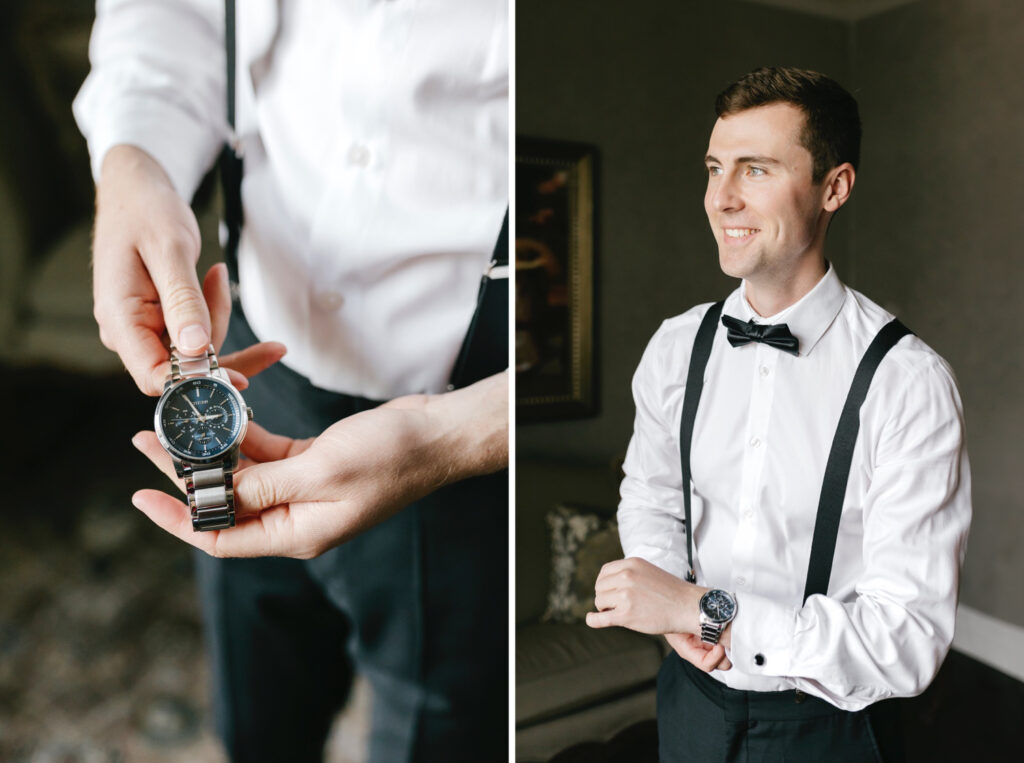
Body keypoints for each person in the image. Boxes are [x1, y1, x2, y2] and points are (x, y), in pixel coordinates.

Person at [73, 1, 508, 761]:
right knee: (255, 707)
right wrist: (133, 156)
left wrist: (464, 433)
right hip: (247, 366)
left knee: (436, 729)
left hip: (463, 433)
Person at [585, 66, 971, 761]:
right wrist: (672, 604)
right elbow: (652, 495)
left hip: (831, 722)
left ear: (834, 187)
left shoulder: (908, 383)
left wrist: (704, 611)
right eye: (714, 168)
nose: (721, 198)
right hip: (689, 702)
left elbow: (908, 641)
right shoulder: (676, 347)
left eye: (755, 170)